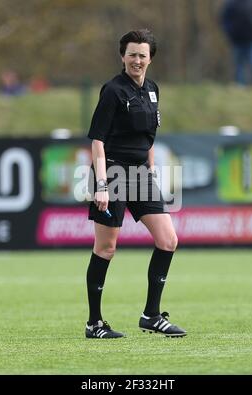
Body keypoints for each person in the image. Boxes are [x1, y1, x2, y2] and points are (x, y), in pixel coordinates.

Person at [85, 29, 187, 339]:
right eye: (132, 54)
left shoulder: (152, 89)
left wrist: (152, 171)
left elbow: (148, 138)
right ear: (122, 56)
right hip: (113, 172)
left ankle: (152, 316)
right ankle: (95, 324)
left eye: (143, 55)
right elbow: (97, 141)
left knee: (168, 240)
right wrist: (101, 184)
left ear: (150, 58)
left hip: (141, 175)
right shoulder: (113, 91)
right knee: (106, 248)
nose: (137, 60)